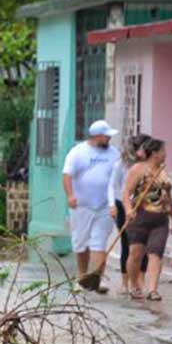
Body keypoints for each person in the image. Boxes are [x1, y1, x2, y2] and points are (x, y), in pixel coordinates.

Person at [62, 119, 120, 293]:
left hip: (104, 205)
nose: (109, 138)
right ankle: (81, 276)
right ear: (97, 136)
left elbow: (119, 176)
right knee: (80, 242)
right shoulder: (78, 152)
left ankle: (97, 279)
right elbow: (67, 175)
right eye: (106, 136)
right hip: (82, 206)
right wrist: (70, 195)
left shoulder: (114, 153)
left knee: (99, 242)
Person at [123, 137, 172, 301]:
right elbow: (126, 193)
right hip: (139, 216)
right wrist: (128, 210)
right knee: (136, 253)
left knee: (156, 253)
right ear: (154, 153)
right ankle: (134, 285)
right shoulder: (138, 169)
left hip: (160, 219)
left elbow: (167, 196)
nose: (165, 154)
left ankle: (152, 289)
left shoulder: (163, 171)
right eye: (163, 151)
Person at [107, 133, 150, 294]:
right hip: (123, 206)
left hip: (143, 206)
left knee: (143, 244)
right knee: (127, 244)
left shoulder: (149, 165)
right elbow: (112, 185)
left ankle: (141, 280)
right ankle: (125, 283)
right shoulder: (121, 164)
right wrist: (112, 205)